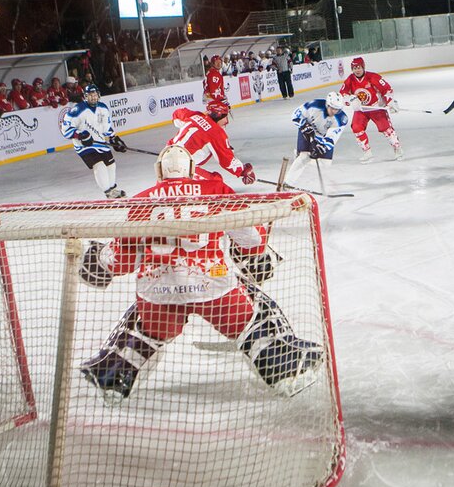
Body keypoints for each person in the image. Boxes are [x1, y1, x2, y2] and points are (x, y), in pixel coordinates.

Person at [75, 145, 324, 400]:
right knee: (256, 316)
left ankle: (113, 379)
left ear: (159, 172)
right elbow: (251, 242)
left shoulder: (141, 201)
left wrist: (95, 259)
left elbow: (121, 260)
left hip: (158, 293)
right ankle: (286, 373)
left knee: (140, 326)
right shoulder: (215, 191)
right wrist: (259, 239)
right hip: (214, 287)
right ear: (192, 170)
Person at [60, 83, 127, 198]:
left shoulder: (103, 108)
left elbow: (106, 127)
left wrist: (113, 137)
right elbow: (65, 129)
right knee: (99, 166)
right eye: (90, 95)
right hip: (84, 146)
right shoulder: (77, 110)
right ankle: (108, 192)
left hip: (100, 143)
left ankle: (113, 189)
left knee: (111, 164)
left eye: (95, 94)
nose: (93, 97)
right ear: (85, 96)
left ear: (98, 95)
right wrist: (79, 135)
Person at [166, 100, 256, 185]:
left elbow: (177, 114)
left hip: (165, 156)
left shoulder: (195, 116)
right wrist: (243, 171)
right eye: (225, 117)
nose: (226, 121)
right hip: (181, 168)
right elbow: (227, 161)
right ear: (218, 116)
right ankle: (178, 182)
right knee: (216, 183)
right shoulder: (216, 133)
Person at [340, 56, 403, 162]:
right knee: (356, 127)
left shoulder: (373, 77)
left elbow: (387, 89)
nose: (357, 70)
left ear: (363, 67)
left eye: (359, 67)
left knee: (386, 129)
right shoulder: (350, 80)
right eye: (355, 68)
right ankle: (367, 152)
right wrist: (350, 99)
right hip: (361, 109)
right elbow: (342, 94)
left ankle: (397, 149)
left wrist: (390, 102)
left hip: (376, 107)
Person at [284, 91, 351, 187]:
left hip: (322, 137)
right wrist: (304, 125)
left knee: (326, 164)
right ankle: (288, 183)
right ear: (327, 104)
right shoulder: (314, 105)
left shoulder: (342, 119)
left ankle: (300, 157)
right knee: (304, 157)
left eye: (337, 109)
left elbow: (332, 138)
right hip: (307, 131)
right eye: (332, 108)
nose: (334, 111)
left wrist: (321, 147)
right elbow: (295, 115)